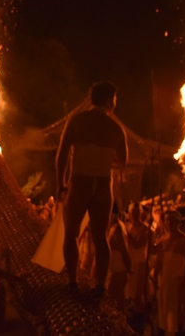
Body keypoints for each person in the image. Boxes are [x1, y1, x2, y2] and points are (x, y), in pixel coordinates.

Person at [56, 81, 128, 291]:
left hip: (80, 182)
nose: (115, 103)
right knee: (100, 237)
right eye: (114, 99)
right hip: (103, 184)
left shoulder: (77, 121)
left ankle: (72, 281)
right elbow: (122, 162)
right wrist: (104, 160)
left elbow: (62, 154)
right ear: (108, 100)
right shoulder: (115, 128)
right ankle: (99, 285)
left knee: (71, 233)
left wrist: (60, 183)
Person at [154, 210, 185, 336]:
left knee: (177, 308)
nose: (169, 223)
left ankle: (180, 331)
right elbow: (159, 259)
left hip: (178, 278)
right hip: (165, 279)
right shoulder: (163, 239)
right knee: (164, 307)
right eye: (167, 220)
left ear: (178, 222)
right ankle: (164, 329)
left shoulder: (184, 240)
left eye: (172, 220)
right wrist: (155, 276)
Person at [125, 202, 150, 333]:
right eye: (132, 213)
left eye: (136, 213)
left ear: (140, 213)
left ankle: (140, 326)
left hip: (139, 263)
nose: (134, 215)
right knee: (129, 295)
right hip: (129, 263)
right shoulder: (127, 227)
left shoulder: (145, 228)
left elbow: (137, 244)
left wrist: (126, 234)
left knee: (137, 296)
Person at [107, 203, 131, 311]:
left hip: (119, 267)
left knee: (117, 297)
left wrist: (129, 267)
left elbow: (124, 250)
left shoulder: (117, 228)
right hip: (114, 268)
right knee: (112, 295)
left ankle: (121, 321)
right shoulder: (112, 227)